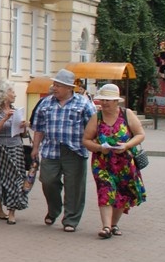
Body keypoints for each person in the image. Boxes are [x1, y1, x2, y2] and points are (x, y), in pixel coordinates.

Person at [30, 68, 96, 233]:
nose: (55, 88)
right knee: (47, 180)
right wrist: (35, 147)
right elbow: (39, 127)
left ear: (69, 88)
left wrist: (93, 145)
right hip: (51, 149)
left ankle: (71, 219)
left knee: (74, 187)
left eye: (59, 85)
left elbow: (93, 127)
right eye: (55, 84)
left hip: (74, 151)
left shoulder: (83, 103)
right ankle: (54, 209)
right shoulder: (46, 103)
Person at [82, 84, 147, 239]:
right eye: (102, 100)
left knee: (122, 193)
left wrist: (127, 145)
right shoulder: (96, 118)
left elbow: (140, 134)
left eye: (108, 100)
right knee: (105, 190)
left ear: (116, 101)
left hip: (125, 162)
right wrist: (99, 147)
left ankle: (113, 224)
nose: (104, 103)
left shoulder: (126, 114)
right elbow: (86, 140)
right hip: (102, 162)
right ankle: (105, 227)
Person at [0, 81, 29, 224]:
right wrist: (5, 119)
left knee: (17, 179)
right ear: (4, 94)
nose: (15, 94)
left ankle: (12, 212)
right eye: (12, 91)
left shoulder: (17, 111)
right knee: (1, 179)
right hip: (1, 148)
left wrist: (24, 127)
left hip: (16, 146)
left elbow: (23, 135)